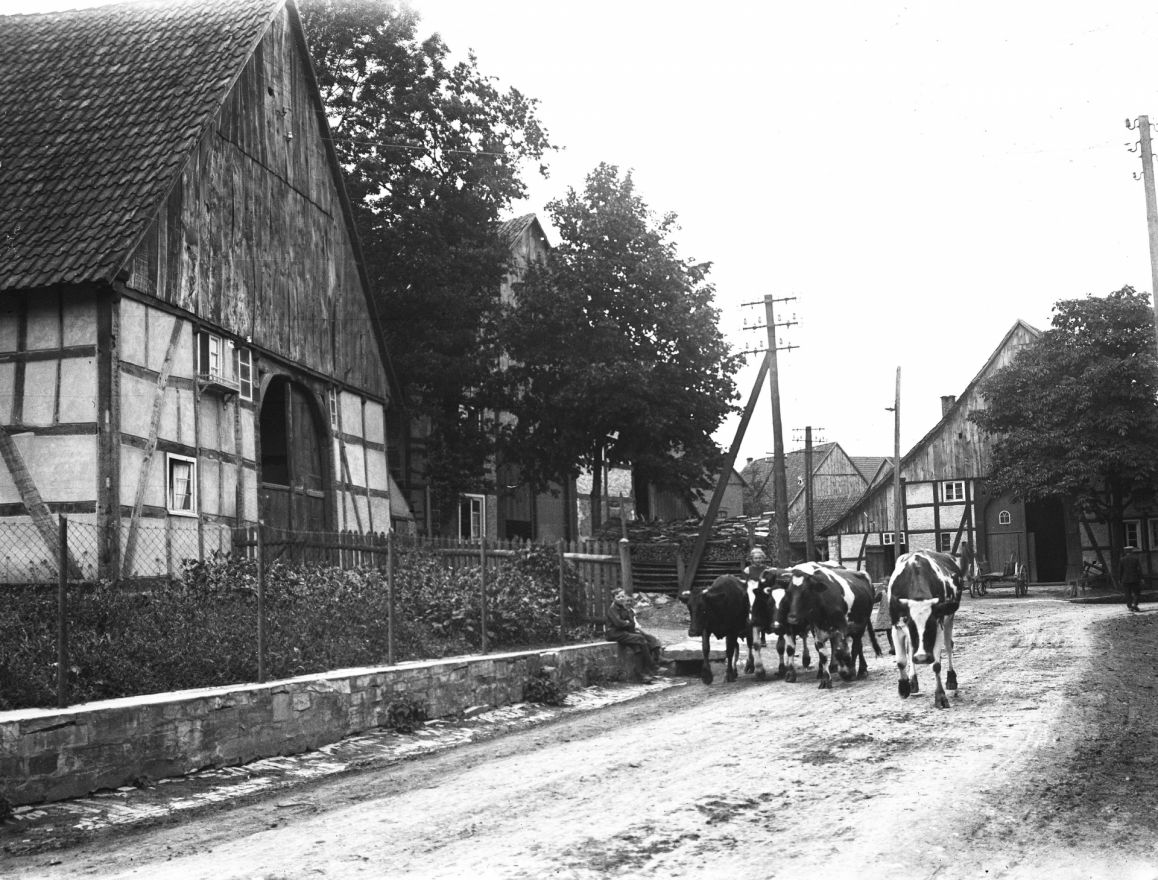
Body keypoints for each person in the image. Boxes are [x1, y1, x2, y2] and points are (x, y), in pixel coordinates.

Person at [605, 590, 662, 682]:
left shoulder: (623, 608)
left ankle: (641, 675)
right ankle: (651, 666)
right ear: (613, 598)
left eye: (622, 596)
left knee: (637, 647)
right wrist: (626, 623)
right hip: (614, 633)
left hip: (623, 632)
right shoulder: (612, 609)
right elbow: (618, 623)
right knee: (640, 638)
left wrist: (627, 623)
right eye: (618, 597)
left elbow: (631, 622)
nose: (621, 599)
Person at [1120, 545, 1143, 612]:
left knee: (1127, 594)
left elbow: (1121, 571)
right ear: (1132, 551)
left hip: (1125, 579)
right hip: (1135, 579)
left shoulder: (1122, 559)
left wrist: (1120, 579)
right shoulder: (1136, 559)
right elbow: (1139, 570)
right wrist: (1141, 578)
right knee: (1136, 592)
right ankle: (1135, 604)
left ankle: (1130, 607)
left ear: (1125, 551)